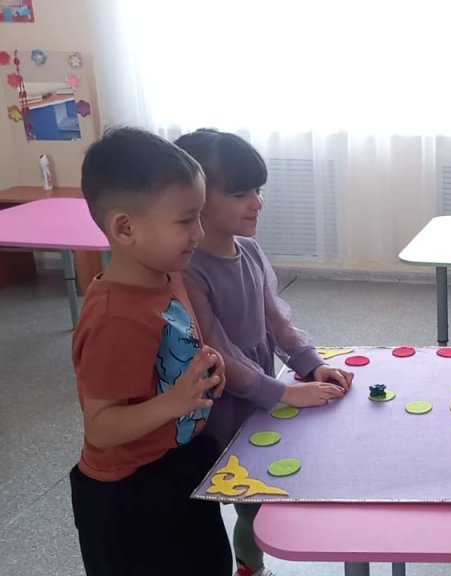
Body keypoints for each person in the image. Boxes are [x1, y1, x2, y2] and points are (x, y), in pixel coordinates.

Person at [176, 128, 353, 576]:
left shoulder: (250, 250)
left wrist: (312, 364)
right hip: (225, 401)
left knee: (273, 479)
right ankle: (249, 567)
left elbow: (276, 322)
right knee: (252, 500)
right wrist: (284, 392)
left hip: (261, 387)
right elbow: (219, 353)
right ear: (195, 199)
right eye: (240, 194)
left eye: (257, 190)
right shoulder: (190, 271)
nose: (257, 202)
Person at [70, 127, 233, 575]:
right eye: (186, 220)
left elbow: (174, 339)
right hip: (129, 496)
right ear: (125, 228)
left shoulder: (167, 272)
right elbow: (101, 427)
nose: (199, 233)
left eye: (200, 216)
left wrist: (205, 361)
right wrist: (174, 402)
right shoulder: (114, 318)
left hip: (178, 461)